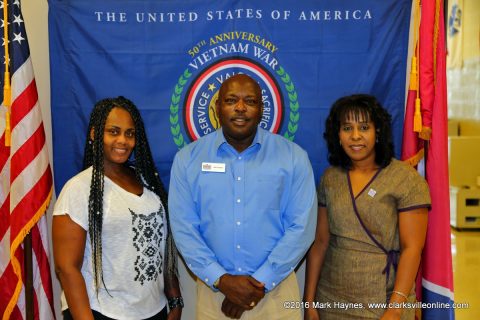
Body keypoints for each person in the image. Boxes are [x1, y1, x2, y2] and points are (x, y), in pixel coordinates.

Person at [169, 74, 317, 319]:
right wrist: (222, 280)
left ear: (261, 110)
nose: (240, 108)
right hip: (214, 295)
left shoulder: (293, 158)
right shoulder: (187, 160)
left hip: (276, 295)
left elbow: (301, 228)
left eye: (250, 101)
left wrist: (259, 284)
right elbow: (184, 228)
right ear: (217, 108)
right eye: (230, 100)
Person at [52, 97, 182, 320]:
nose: (123, 140)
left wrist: (175, 301)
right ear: (95, 134)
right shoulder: (78, 189)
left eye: (130, 134)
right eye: (113, 131)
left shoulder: (149, 184)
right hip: (102, 313)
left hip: (154, 311)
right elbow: (66, 268)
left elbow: (162, 248)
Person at [303, 94, 430, 320]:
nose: (355, 136)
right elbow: (321, 242)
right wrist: (309, 301)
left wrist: (395, 308)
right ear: (338, 135)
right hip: (331, 302)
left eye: (364, 127)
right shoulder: (331, 178)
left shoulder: (405, 178)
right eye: (347, 128)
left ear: (377, 132)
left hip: (384, 302)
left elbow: (412, 248)